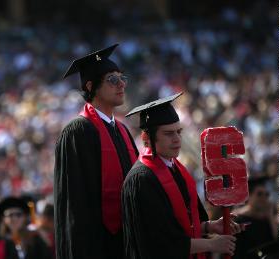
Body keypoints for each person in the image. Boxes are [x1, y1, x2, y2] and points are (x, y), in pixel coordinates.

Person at [122, 92, 246, 259]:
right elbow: (160, 241)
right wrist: (211, 244)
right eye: (168, 133)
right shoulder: (142, 180)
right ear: (147, 139)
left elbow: (178, 227)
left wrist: (208, 227)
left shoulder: (176, 169)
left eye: (178, 132)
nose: (177, 139)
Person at [54, 44, 139, 259]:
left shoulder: (122, 130)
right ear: (90, 86)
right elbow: (73, 204)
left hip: (125, 242)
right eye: (112, 79)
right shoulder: (77, 131)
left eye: (122, 78)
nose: (121, 84)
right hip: (94, 245)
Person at [232, 176, 279, 259]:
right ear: (249, 196)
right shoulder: (239, 220)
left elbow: (277, 241)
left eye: (267, 194)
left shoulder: (269, 219)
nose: (264, 198)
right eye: (259, 194)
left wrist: (270, 216)